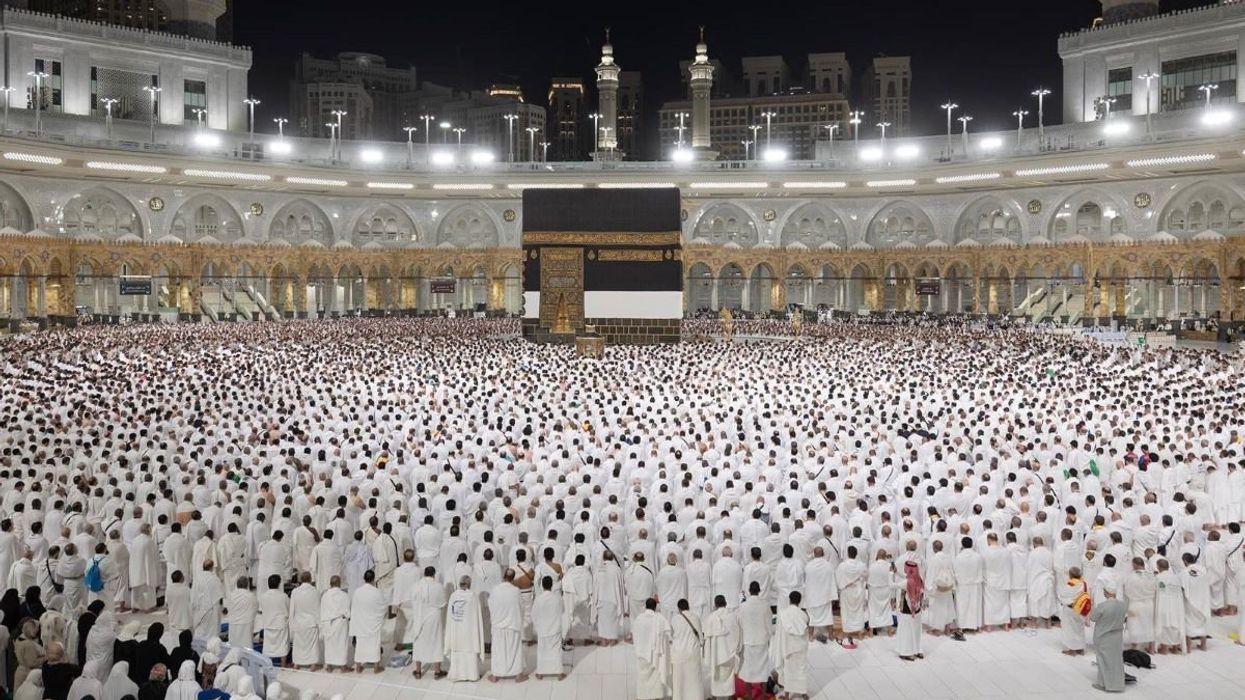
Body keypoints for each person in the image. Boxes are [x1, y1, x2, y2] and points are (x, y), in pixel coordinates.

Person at [487, 568, 526, 682]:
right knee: (514, 650)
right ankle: (518, 675)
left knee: (498, 650)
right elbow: (521, 607)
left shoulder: (495, 589)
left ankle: (495, 675)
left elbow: (491, 604)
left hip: (498, 625)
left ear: (503, 577)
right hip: (512, 624)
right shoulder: (516, 591)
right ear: (513, 578)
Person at [770, 591, 811, 700]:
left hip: (787, 648)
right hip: (800, 648)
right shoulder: (803, 615)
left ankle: (787, 696)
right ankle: (803, 693)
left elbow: (780, 633)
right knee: (801, 670)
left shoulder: (783, 614)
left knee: (788, 671)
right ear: (800, 601)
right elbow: (805, 629)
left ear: (789, 600)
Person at [444, 576, 485, 682]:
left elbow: (450, 616)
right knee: (469, 651)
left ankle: (456, 675)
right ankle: (472, 675)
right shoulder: (473, 596)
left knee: (457, 650)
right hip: (469, 632)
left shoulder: (453, 596)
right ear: (469, 584)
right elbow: (477, 617)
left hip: (456, 631)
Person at [409, 567, 447, 679]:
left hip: (420, 616)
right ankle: (437, 671)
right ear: (434, 575)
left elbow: (412, 599)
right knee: (436, 641)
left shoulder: (416, 586)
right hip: (434, 617)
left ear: (424, 574)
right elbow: (443, 602)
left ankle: (418, 671)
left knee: (419, 642)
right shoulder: (438, 586)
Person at [348, 569, 388, 674]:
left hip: (361, 622)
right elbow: (384, 606)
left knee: (360, 645)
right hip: (373, 623)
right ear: (374, 579)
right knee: (374, 644)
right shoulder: (377, 592)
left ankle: (358, 667)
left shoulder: (357, 591)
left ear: (364, 579)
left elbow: (354, 607)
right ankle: (376, 668)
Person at [1088, 589, 1128, 693]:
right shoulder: (1123, 605)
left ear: (1106, 592)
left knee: (1103, 661)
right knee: (1117, 661)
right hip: (1117, 637)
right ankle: (1118, 684)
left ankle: (1104, 684)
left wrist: (1092, 607)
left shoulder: (1103, 605)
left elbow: (1093, 618)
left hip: (1103, 637)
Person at [703, 595, 741, 700]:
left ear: (715, 605)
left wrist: (708, 655)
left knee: (716, 679)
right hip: (729, 654)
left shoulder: (711, 618)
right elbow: (738, 633)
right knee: (728, 680)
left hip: (716, 656)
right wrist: (736, 649)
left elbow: (707, 638)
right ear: (725, 603)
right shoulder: (733, 616)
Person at [632, 598, 671, 700]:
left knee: (642, 677)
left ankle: (642, 697)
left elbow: (634, 633)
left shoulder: (639, 618)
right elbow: (668, 633)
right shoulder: (660, 618)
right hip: (655, 654)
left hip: (641, 652)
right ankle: (655, 697)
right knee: (655, 677)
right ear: (655, 606)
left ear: (645, 606)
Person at [531, 576, 565, 680]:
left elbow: (534, 614)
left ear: (542, 585)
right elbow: (562, 611)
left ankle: (540, 673)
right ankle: (559, 673)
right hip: (554, 628)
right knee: (556, 650)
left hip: (542, 629)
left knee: (542, 651)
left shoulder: (538, 599)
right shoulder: (557, 598)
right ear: (552, 585)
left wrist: (537, 627)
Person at [670, 599, 704, 700]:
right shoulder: (696, 617)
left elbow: (671, 636)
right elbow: (701, 639)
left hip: (679, 654)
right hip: (693, 653)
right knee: (694, 681)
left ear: (679, 608)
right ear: (688, 606)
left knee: (679, 682)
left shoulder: (674, 619)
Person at [288, 572, 321, 670]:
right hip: (311, 622)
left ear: (300, 579)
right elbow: (318, 608)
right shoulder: (315, 591)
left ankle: (297, 664)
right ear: (310, 579)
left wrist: (291, 623)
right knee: (312, 645)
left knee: (298, 645)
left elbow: (292, 608)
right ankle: (313, 665)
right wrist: (319, 623)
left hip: (298, 622)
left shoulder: (295, 591)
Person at [318, 576, 351, 672]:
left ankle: (329, 665)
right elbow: (348, 612)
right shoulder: (344, 595)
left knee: (328, 644)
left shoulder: (324, 595)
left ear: (330, 583)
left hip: (327, 622)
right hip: (340, 622)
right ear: (339, 583)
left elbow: (322, 610)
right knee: (342, 644)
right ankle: (343, 666)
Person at [895, 560, 925, 661]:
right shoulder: (919, 579)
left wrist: (890, 574)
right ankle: (917, 650)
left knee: (906, 630)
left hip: (907, 611)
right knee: (916, 631)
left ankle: (906, 652)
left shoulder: (906, 582)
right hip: (917, 610)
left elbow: (891, 585)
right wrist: (896, 572)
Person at [257, 575, 290, 664]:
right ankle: (283, 666)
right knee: (283, 646)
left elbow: (260, 611)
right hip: (280, 624)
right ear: (279, 584)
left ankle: (268, 665)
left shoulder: (263, 596)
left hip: (268, 624)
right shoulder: (284, 596)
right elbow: (288, 609)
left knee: (269, 647)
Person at [1058, 567, 1088, 656]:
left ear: (1071, 575)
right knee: (1080, 628)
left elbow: (1062, 595)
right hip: (1081, 609)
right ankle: (1081, 649)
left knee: (1070, 629)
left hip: (1071, 609)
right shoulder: (1084, 584)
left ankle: (1072, 650)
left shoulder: (1070, 584)